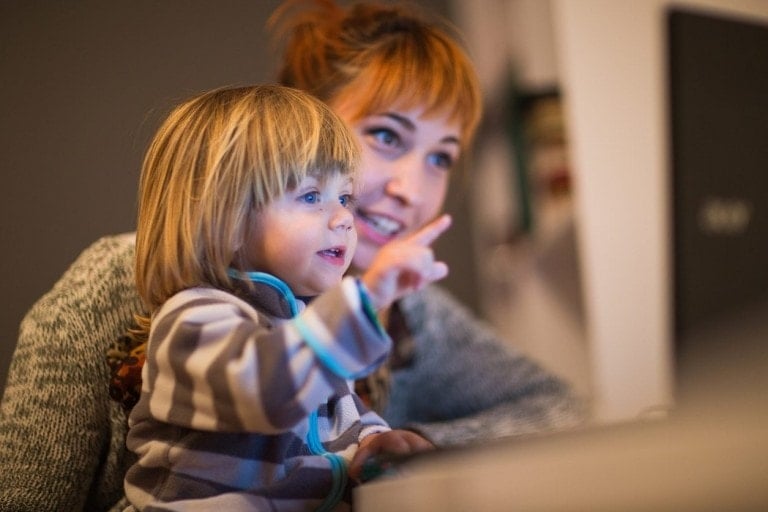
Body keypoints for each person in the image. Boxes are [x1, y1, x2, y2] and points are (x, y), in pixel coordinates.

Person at [0, 2, 584, 511]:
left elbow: (559, 407)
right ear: (298, 127)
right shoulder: (128, 283)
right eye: (387, 135)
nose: (414, 188)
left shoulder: (413, 310)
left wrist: (403, 448)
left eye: (441, 157)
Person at [121, 84, 439, 511]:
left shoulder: (303, 325)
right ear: (226, 220)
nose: (345, 218)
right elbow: (268, 393)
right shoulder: (192, 321)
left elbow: (342, 424)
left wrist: (376, 442)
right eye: (311, 196)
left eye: (344, 197)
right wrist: (368, 296)